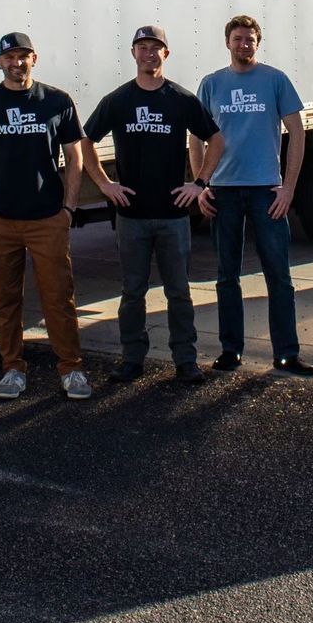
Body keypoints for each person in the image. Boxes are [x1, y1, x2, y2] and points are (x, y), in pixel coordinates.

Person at [79, 24, 223, 387]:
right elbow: (86, 141)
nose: (149, 53)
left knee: (179, 291)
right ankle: (131, 359)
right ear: (133, 54)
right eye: (142, 47)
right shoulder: (118, 100)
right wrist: (105, 184)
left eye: (155, 47)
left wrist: (200, 183)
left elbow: (216, 140)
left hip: (173, 215)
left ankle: (185, 360)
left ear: (166, 54)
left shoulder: (181, 99)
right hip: (132, 216)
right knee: (132, 292)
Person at [0, 31, 91, 401]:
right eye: (9, 57)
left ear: (35, 58)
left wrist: (69, 208)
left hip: (47, 217)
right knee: (5, 299)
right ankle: (13, 368)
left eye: (23, 56)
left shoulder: (56, 101)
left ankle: (71, 369)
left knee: (58, 298)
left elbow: (74, 158)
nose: (17, 63)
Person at [195, 14, 313, 377]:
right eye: (237, 39)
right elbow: (196, 137)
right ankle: (231, 351)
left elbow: (297, 131)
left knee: (278, 274)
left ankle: (286, 354)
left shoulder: (275, 80)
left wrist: (288, 187)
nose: (243, 45)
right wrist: (202, 184)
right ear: (227, 42)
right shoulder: (212, 84)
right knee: (226, 275)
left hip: (266, 191)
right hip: (223, 192)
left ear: (257, 44)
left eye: (249, 39)